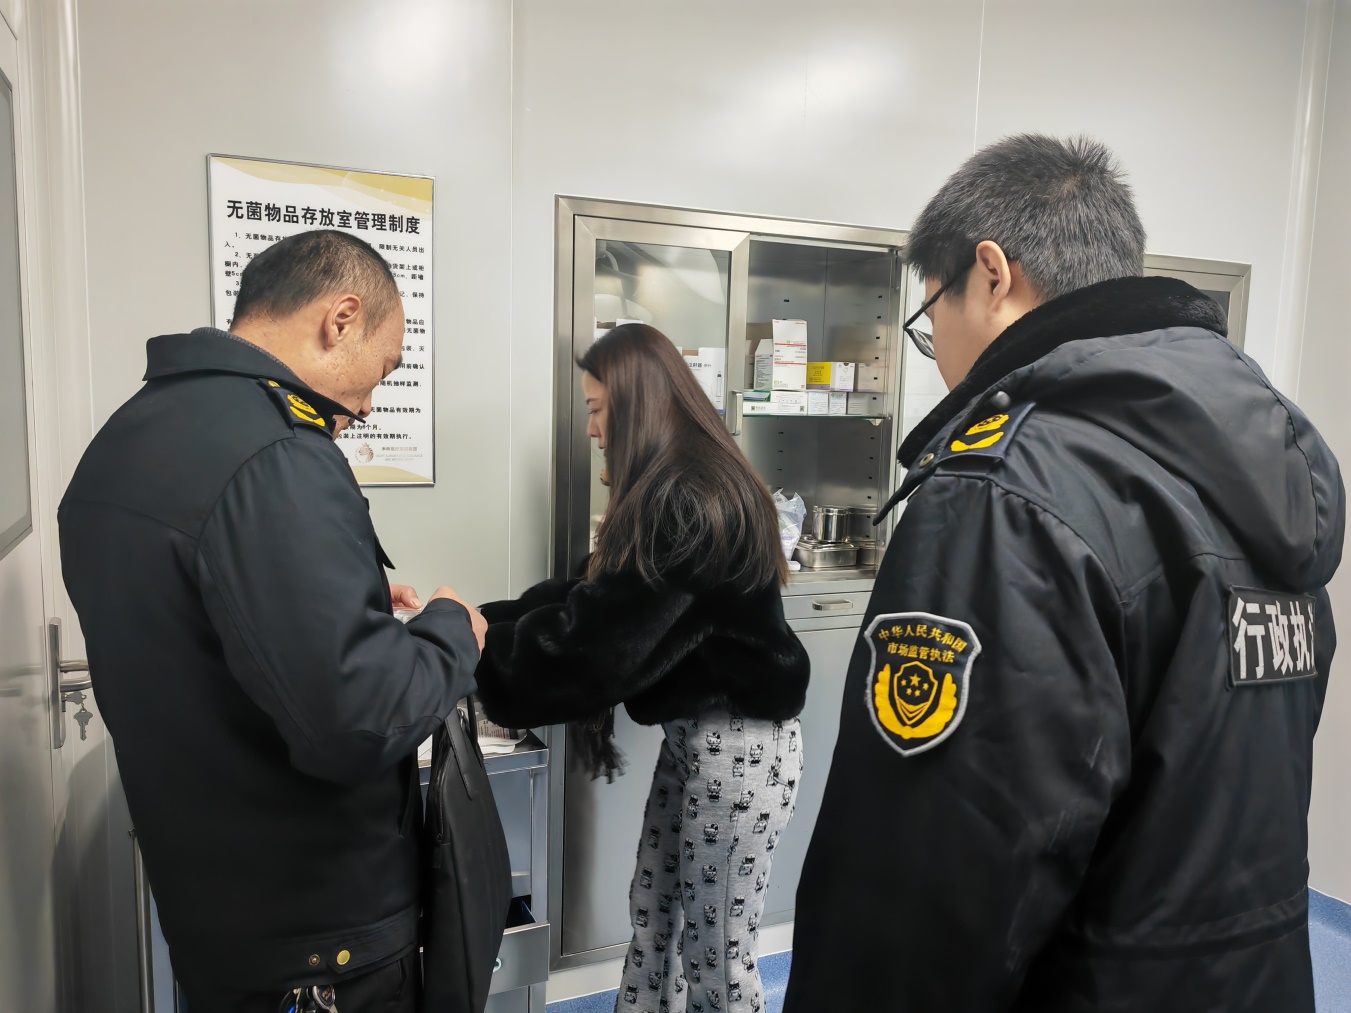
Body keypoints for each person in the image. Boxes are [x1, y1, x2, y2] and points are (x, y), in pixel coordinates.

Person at [785, 135, 1345, 1012]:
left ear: (991, 275)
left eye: (930, 313)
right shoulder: (1262, 475)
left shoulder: (1007, 490)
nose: (936, 347)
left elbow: (926, 886)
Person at [59, 230, 488, 1013]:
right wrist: (450, 629)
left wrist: (348, 606)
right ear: (340, 319)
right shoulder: (278, 453)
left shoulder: (122, 441)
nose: (369, 403)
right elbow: (358, 721)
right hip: (320, 942)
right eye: (384, 368)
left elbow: (206, 634)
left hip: (217, 917)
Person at [471, 323, 810, 1013]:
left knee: (716, 958)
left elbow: (597, 649)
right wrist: (476, 620)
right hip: (698, 742)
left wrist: (481, 645)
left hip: (739, 750)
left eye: (597, 409)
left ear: (636, 406)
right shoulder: (673, 487)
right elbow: (590, 596)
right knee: (655, 918)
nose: (591, 428)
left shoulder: (690, 500)